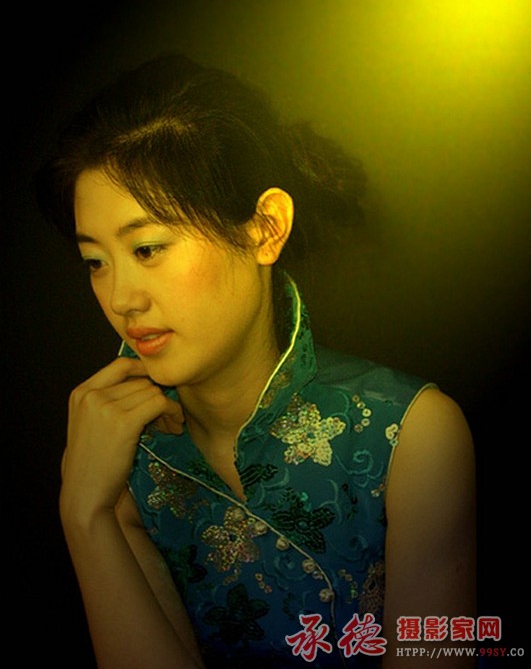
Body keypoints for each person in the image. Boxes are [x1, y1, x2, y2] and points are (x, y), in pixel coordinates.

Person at [38, 54, 476, 668]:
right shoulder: (117, 455)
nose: (120, 298)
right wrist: (84, 514)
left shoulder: (408, 432)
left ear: (265, 228)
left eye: (148, 248)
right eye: (96, 261)